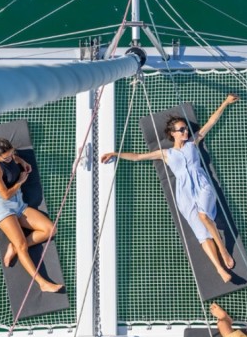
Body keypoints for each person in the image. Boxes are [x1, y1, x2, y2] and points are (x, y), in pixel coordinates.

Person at [101, 94, 239, 282]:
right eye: (181, 130)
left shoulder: (193, 142)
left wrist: (225, 103)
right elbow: (138, 157)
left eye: (185, 128)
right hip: (184, 194)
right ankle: (220, 270)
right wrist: (116, 153)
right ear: (172, 133)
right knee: (201, 234)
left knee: (203, 216)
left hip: (202, 185)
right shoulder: (165, 153)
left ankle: (223, 250)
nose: (185, 131)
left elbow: (211, 122)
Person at [0, 138, 63, 293]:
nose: (10, 158)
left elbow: (14, 158)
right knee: (23, 246)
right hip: (4, 207)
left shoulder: (10, 156)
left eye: (11, 154)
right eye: (6, 157)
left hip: (19, 202)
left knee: (50, 230)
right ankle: (42, 283)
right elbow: (5, 195)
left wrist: (22, 162)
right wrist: (20, 181)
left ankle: (14, 247)